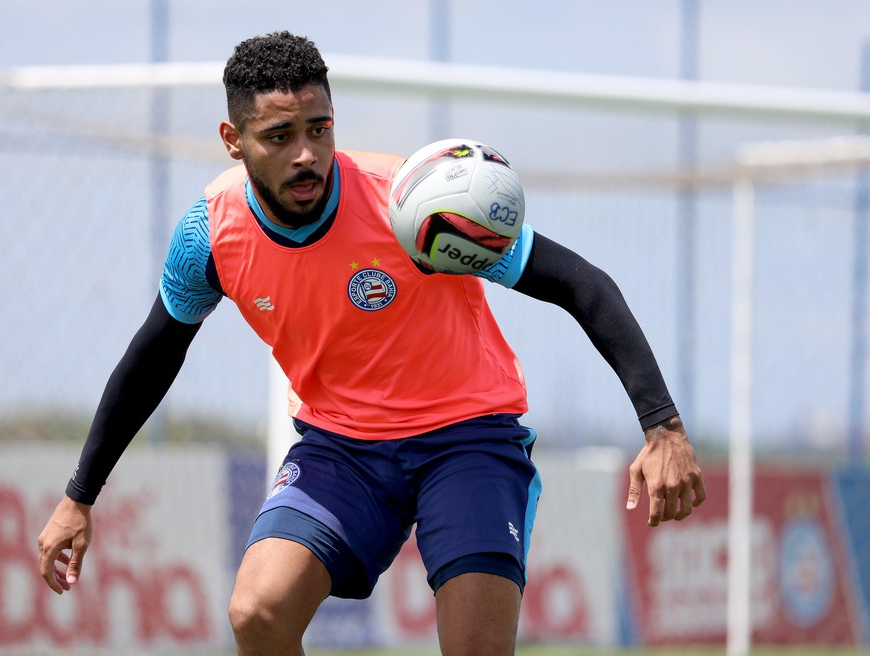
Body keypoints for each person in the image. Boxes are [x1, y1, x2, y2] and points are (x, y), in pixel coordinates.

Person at [37, 31, 706, 656]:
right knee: (257, 611)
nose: (306, 154)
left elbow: (582, 284)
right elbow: (155, 355)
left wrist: (662, 424)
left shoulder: (416, 204)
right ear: (232, 140)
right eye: (279, 136)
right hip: (341, 450)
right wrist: (80, 495)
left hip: (467, 439)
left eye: (319, 129)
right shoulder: (209, 236)